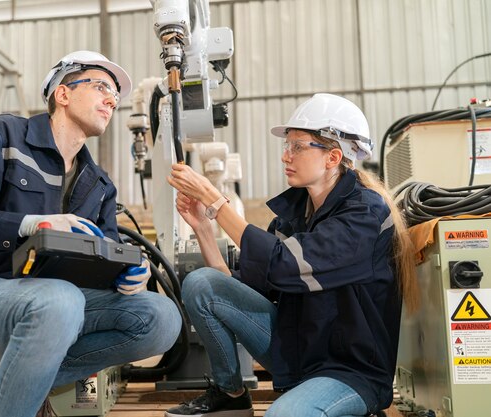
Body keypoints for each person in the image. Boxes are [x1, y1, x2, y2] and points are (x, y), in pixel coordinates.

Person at [0, 50, 181, 417]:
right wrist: (30, 225)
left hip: (55, 309)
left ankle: (27, 381)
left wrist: (130, 274)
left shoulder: (99, 185)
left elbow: (107, 255)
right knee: (59, 299)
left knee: (161, 317)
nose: (111, 99)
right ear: (63, 93)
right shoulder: (2, 138)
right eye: (102, 86)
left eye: (116, 95)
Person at [165, 93, 420, 417]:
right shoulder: (293, 216)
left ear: (332, 157)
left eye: (298, 147)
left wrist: (214, 200)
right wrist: (203, 227)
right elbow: (247, 287)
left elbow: (283, 264)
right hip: (297, 350)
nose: (287, 155)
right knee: (203, 283)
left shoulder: (365, 215)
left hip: (351, 372)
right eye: (287, 146)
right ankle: (230, 393)